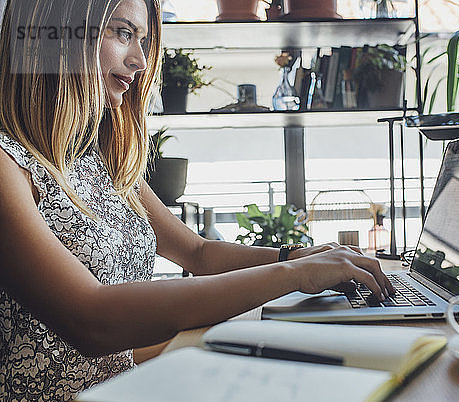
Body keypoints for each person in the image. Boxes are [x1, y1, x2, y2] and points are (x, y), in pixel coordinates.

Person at [0, 0, 394, 399]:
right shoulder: (6, 164)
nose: (139, 60)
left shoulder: (95, 157)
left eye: (143, 40)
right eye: (123, 33)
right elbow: (90, 317)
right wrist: (293, 276)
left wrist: (296, 257)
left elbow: (199, 253)